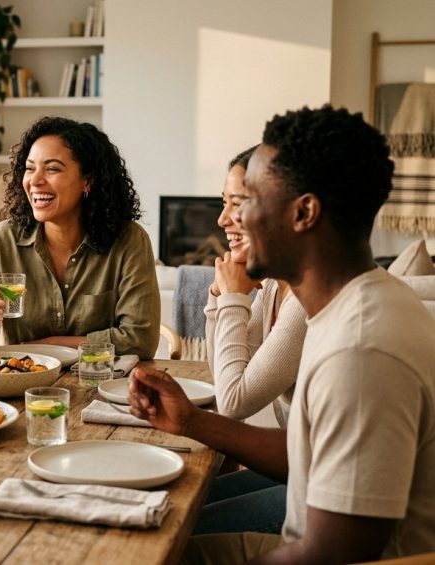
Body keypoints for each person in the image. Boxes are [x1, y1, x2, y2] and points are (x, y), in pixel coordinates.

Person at [129, 105, 435, 563]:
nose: (229, 220)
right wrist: (192, 421)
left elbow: (336, 553)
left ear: (303, 212)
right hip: (309, 539)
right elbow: (309, 450)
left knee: (147, 549)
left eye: (247, 199)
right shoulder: (351, 304)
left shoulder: (360, 348)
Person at [0, 116, 160, 357]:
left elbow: (140, 340)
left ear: (87, 181)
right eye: (30, 168)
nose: (35, 181)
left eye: (52, 169)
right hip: (21, 387)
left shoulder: (129, 241)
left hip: (102, 385)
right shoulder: (3, 240)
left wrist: (49, 345)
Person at [192, 146, 309, 535]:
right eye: (223, 203)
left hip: (321, 487)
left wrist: (233, 298)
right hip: (296, 464)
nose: (223, 219)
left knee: (181, 525)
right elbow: (225, 372)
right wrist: (219, 294)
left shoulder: (306, 302)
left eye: (236, 204)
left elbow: (233, 402)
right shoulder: (277, 284)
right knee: (180, 501)